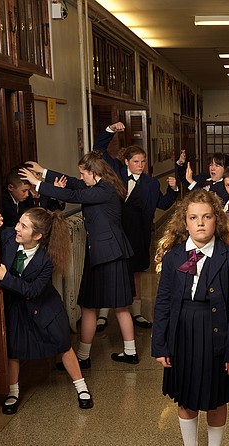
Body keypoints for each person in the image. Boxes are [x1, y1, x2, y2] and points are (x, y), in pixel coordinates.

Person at [152, 189, 229, 446]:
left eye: (207, 217)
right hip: (182, 335)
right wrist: (160, 344)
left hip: (217, 335)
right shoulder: (174, 257)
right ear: (185, 222)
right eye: (194, 218)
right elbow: (163, 302)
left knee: (216, 400)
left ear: (217, 220)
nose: (201, 223)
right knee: (186, 398)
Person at [20, 153, 139, 367]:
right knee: (107, 305)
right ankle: (109, 354)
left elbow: (74, 195)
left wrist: (37, 184)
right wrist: (44, 171)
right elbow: (73, 184)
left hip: (108, 255)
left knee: (100, 306)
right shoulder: (100, 185)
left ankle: (92, 356)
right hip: (108, 254)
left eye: (83, 173)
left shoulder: (103, 191)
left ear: (93, 173)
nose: (80, 177)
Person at [0, 208, 93, 414]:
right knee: (14, 350)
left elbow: (34, 290)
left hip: (45, 308)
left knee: (63, 345)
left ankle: (81, 388)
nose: (17, 228)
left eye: (23, 226)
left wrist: (5, 277)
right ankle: (13, 392)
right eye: (18, 223)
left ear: (37, 236)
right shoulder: (9, 237)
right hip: (17, 308)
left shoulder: (46, 260)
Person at [93, 122, 179, 329]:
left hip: (139, 234)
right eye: (136, 161)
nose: (140, 165)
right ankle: (103, 313)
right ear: (126, 162)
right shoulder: (116, 173)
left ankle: (137, 313)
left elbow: (163, 203)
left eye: (143, 161)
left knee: (137, 273)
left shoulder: (150, 184)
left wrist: (174, 190)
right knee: (111, 271)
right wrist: (110, 130)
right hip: (117, 232)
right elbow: (99, 151)